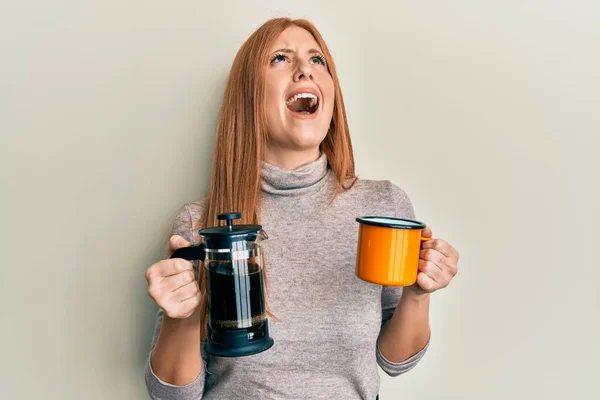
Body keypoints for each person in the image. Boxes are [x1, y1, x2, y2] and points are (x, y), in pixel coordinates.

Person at [144, 17, 459, 400]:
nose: (304, 68)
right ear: (249, 97)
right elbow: (173, 396)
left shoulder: (383, 207)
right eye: (280, 58)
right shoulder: (200, 225)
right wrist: (183, 319)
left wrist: (419, 293)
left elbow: (396, 361)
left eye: (317, 60)